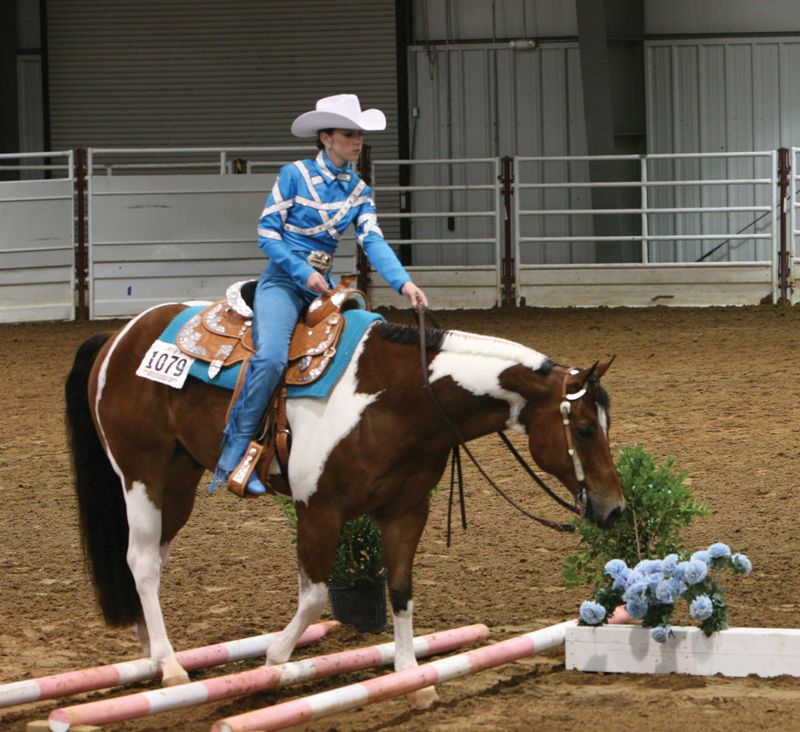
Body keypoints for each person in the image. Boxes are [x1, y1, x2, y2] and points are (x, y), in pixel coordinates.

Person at [212, 94, 429, 495]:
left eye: (359, 135)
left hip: (322, 289)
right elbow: (267, 234)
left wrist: (405, 283)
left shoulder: (359, 191)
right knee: (272, 356)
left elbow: (374, 242)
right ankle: (233, 453)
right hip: (282, 282)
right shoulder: (294, 175)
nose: (357, 142)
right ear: (326, 138)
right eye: (349, 134)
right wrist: (304, 272)